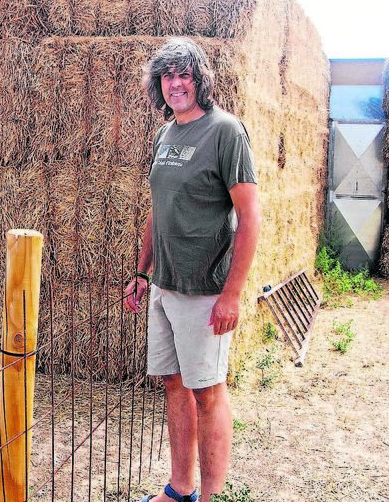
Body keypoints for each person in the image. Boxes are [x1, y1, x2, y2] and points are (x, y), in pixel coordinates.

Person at [123, 38, 261, 502]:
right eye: (167, 76)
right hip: (165, 285)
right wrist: (142, 272)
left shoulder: (225, 132)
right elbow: (158, 208)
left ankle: (211, 496)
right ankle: (180, 488)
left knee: (207, 392)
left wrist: (231, 294)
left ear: (200, 80)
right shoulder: (165, 135)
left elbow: (250, 216)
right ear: (157, 85)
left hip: (205, 289)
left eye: (184, 74)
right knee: (174, 384)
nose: (175, 84)